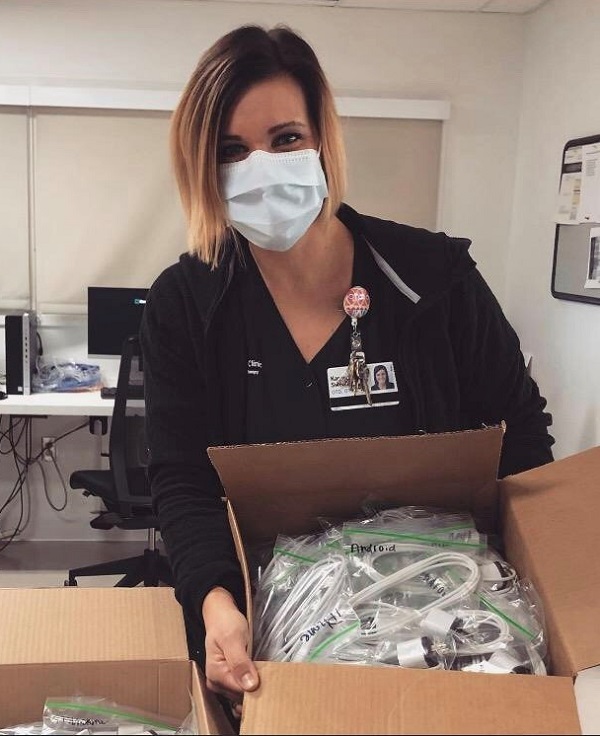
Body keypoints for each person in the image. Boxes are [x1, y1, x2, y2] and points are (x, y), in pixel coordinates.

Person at [140, 23, 554, 717]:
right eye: (231, 151)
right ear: (202, 170)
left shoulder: (433, 279)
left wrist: (539, 593)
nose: (262, 167)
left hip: (450, 615)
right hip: (282, 628)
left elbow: (523, 441)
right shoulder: (189, 305)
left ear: (322, 141)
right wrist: (217, 605)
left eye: (285, 139)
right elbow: (182, 479)